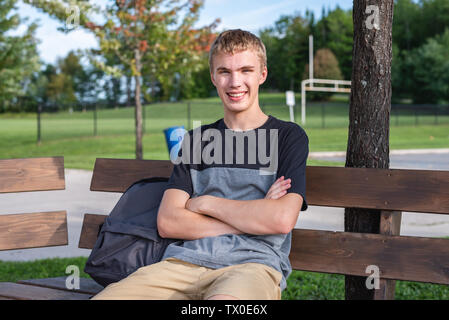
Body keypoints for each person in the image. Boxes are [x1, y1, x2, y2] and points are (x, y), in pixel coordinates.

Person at [92, 29, 309, 300]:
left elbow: (281, 219)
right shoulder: (196, 141)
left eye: (245, 70)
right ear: (213, 77)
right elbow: (169, 222)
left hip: (251, 267)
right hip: (179, 265)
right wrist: (254, 217)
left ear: (262, 74)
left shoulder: (288, 137)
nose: (235, 82)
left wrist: (205, 204)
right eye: (224, 71)